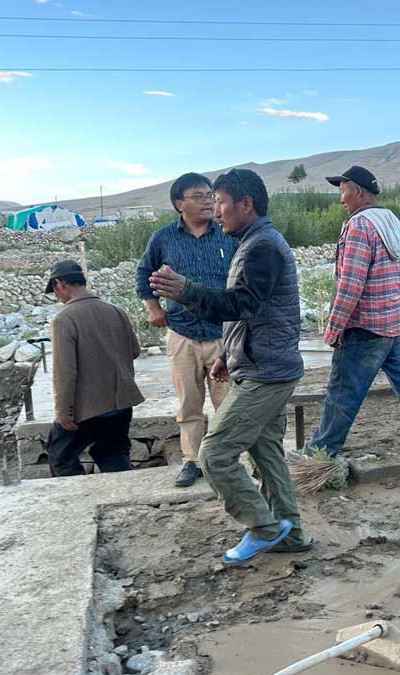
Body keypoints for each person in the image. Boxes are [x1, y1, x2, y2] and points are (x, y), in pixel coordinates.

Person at [149, 168, 313, 565]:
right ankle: (290, 533)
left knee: (215, 454)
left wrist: (186, 292)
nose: (215, 211)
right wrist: (228, 353)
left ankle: (264, 529)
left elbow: (241, 303)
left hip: (266, 373)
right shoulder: (251, 242)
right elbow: (250, 310)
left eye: (220, 202)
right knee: (266, 453)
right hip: (261, 365)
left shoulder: (262, 247)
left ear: (246, 204)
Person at [297, 165, 400, 461]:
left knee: (343, 391)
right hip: (395, 322)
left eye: (343, 191)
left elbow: (351, 283)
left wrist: (334, 328)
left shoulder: (360, 226)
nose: (341, 199)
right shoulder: (390, 221)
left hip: (366, 326)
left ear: (357, 191)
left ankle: (320, 455)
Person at [136, 172, 238, 488]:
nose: (209, 201)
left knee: (228, 402)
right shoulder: (163, 238)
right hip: (181, 333)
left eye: (210, 195)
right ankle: (192, 461)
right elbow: (143, 275)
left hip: (223, 335)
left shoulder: (228, 235)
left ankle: (227, 460)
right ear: (179, 203)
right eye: (199, 195)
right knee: (189, 404)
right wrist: (153, 308)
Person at [45, 260, 145, 476]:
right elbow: (134, 351)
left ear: (60, 284)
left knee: (60, 456)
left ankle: (80, 502)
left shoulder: (64, 319)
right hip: (121, 404)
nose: (57, 296)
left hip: (88, 407)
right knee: (114, 456)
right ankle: (123, 502)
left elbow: (65, 372)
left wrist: (63, 412)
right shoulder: (116, 311)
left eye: (55, 290)